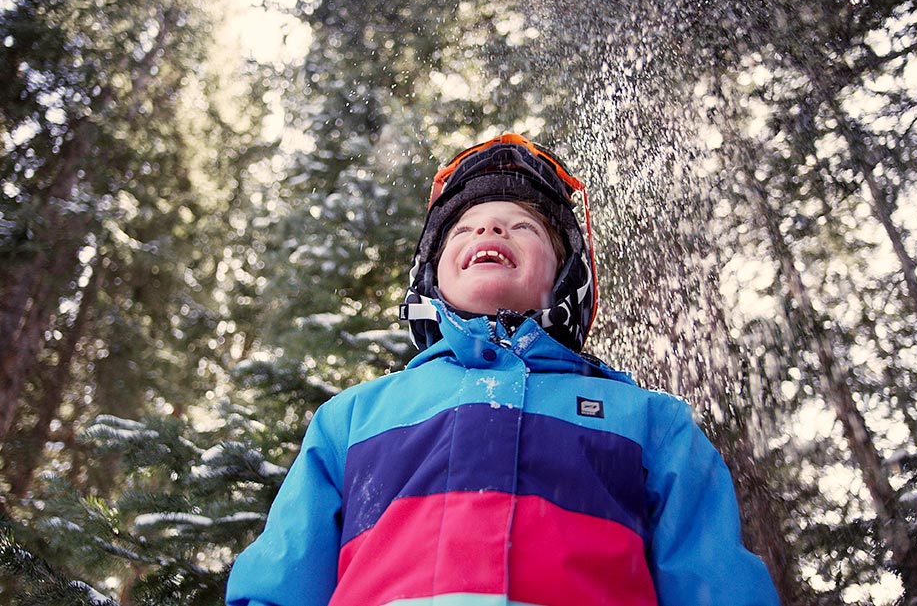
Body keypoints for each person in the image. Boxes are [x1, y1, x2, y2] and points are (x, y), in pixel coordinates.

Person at [226, 133, 780, 606]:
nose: (489, 230)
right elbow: (280, 583)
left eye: (523, 227)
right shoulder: (350, 419)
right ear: (431, 275)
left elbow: (716, 585)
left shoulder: (650, 423)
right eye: (462, 230)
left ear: (566, 276)